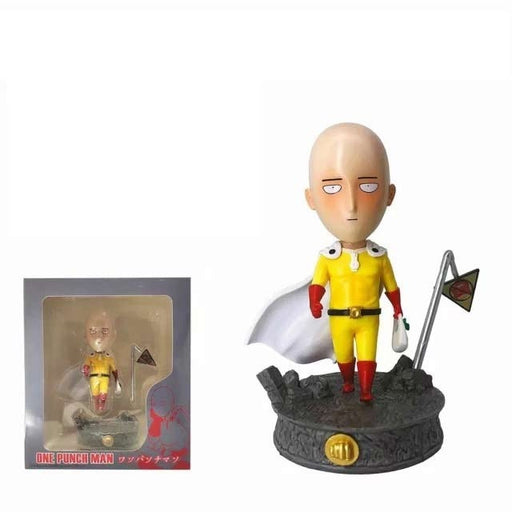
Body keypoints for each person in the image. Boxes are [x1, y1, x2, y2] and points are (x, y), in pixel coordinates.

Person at [305, 123, 405, 401]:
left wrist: (398, 309)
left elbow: (391, 286)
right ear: (311, 198)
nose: (351, 205)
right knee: (344, 354)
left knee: (368, 353)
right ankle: (348, 382)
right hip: (339, 318)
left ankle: (366, 390)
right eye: (332, 187)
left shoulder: (379, 257)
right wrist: (314, 301)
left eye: (368, 186)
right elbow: (317, 284)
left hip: (370, 317)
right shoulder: (328, 257)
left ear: (389, 194)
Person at [81, 311, 122, 412]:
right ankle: (96, 406)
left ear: (113, 336)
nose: (99, 337)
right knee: (95, 395)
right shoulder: (90, 357)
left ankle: (101, 407)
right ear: (85, 336)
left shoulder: (109, 358)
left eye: (105, 331)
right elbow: (86, 366)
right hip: (94, 378)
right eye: (93, 331)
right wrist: (85, 371)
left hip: (105, 378)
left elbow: (114, 370)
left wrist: (117, 381)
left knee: (103, 395)